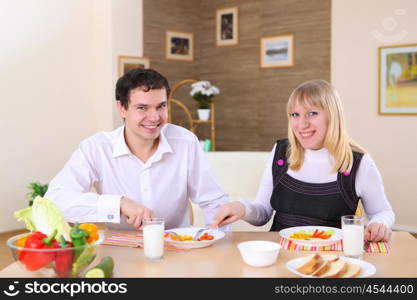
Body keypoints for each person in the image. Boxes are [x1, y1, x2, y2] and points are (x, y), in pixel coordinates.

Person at [211, 80, 394, 242]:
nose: (301, 124)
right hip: (280, 255)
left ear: (333, 116)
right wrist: (241, 208)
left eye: (312, 113)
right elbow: (263, 213)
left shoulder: (359, 163)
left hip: (329, 259)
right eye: (295, 115)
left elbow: (383, 212)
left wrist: (380, 223)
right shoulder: (281, 152)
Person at [45, 68, 228, 230]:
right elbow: (55, 199)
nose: (154, 117)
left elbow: (213, 201)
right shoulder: (96, 148)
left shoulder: (186, 142)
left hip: (176, 249)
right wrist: (119, 204)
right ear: (122, 108)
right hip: (119, 253)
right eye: (142, 108)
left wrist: (214, 239)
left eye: (161, 106)